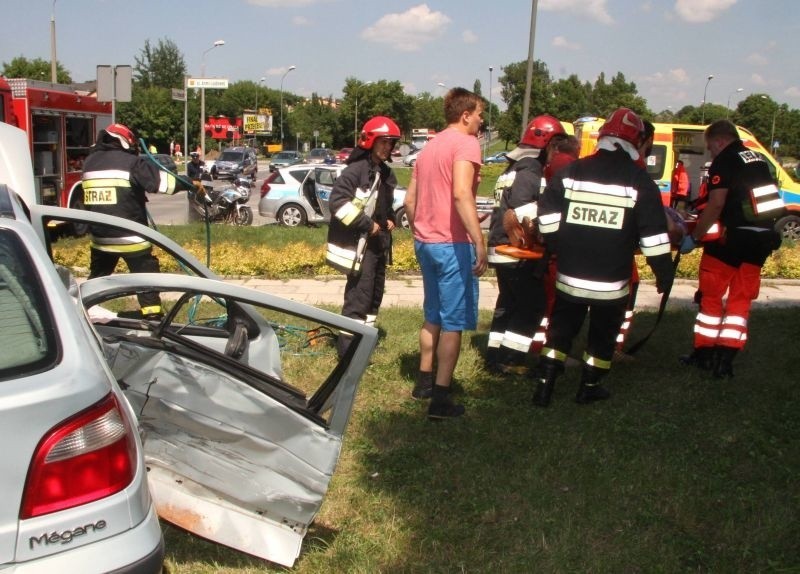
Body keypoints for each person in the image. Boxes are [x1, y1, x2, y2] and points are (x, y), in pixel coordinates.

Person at [533, 108, 675, 407]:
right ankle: (589, 386)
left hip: (569, 276)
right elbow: (653, 238)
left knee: (560, 331)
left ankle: (544, 387)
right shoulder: (639, 181)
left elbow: (545, 216)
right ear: (635, 143)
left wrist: (560, 244)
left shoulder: (572, 172)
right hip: (611, 283)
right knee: (602, 336)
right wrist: (664, 273)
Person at [403, 87, 486, 419]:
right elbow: (461, 192)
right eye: (479, 114)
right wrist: (478, 239)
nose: (481, 121)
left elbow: (410, 201)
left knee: (432, 313)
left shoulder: (428, 148)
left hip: (426, 242)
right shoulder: (466, 143)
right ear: (465, 115)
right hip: (453, 246)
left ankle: (423, 381)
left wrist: (423, 228)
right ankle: (440, 399)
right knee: (453, 322)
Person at [678, 119, 784, 377]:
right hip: (759, 241)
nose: (712, 153)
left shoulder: (725, 159)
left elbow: (716, 204)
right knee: (740, 300)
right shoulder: (756, 158)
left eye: (711, 148)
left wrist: (695, 237)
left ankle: (704, 353)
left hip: (730, 241)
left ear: (720, 141)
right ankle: (725, 360)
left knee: (711, 295)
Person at [81, 123, 200, 319]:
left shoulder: (89, 163)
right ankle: (152, 318)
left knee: (96, 280)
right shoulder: (130, 162)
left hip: (100, 239)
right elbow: (164, 184)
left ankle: (83, 311)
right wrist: (190, 183)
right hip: (131, 238)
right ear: (126, 142)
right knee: (146, 278)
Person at [485, 115, 566, 375]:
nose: (556, 153)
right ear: (546, 144)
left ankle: (494, 358)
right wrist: (548, 229)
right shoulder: (531, 168)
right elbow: (524, 207)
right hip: (517, 251)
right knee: (532, 304)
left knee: (508, 303)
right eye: (556, 146)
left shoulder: (514, 167)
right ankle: (512, 359)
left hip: (500, 247)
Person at [325, 116, 401, 358]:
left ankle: (363, 345)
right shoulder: (355, 171)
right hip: (360, 246)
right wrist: (367, 225)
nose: (388, 147)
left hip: (378, 245)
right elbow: (337, 203)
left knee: (373, 298)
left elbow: (382, 206)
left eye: (391, 143)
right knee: (359, 298)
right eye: (384, 142)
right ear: (370, 141)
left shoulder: (384, 172)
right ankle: (348, 354)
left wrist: (390, 219)